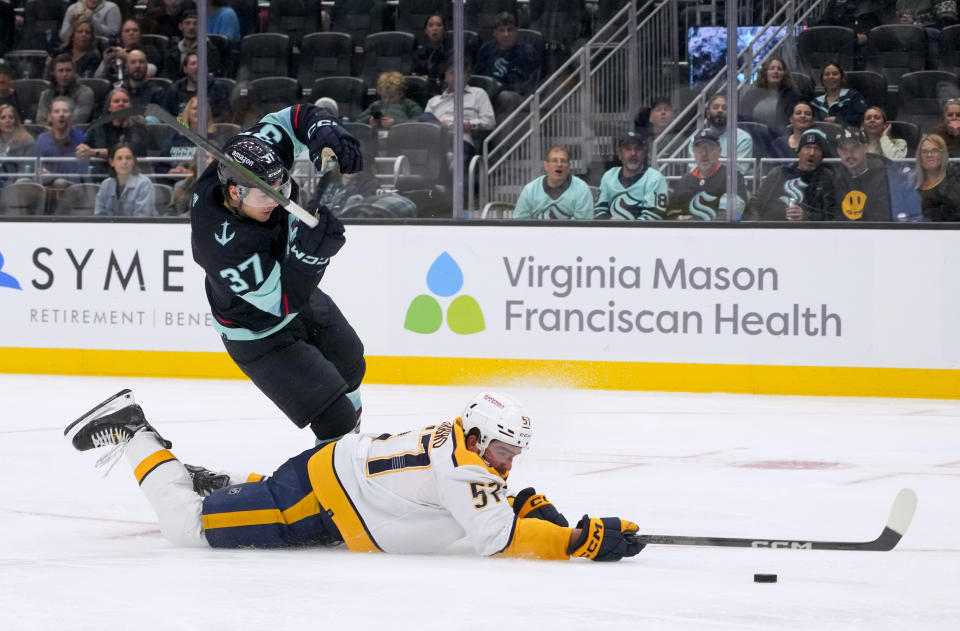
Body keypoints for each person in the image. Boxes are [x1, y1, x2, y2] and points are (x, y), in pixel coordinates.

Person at [65, 388, 644, 562]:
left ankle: (215, 483)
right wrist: (576, 541)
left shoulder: (460, 447)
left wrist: (520, 502)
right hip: (318, 498)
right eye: (501, 448)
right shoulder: (467, 467)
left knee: (257, 498)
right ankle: (136, 433)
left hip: (334, 481)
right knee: (188, 530)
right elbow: (498, 539)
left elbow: (485, 505)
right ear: (475, 437)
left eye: (512, 451)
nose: (507, 461)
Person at [189, 103, 367, 444]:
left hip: (295, 292)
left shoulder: (256, 158)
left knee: (351, 364)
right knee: (336, 420)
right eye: (265, 195)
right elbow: (281, 302)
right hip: (257, 331)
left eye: (281, 187)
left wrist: (322, 127)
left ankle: (348, 459)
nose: (279, 201)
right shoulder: (222, 244)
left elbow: (294, 118)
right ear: (233, 192)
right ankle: (332, 478)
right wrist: (310, 259)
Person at [831, 126, 921, 222]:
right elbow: (834, 215)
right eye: (844, 149)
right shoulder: (837, 178)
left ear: (865, 148)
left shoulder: (886, 176)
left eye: (855, 148)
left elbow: (883, 218)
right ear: (838, 152)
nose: (849, 154)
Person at [743, 131, 837, 221]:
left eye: (816, 149)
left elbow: (834, 215)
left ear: (822, 155)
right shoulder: (778, 173)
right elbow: (754, 206)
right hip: (772, 229)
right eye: (808, 147)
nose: (811, 153)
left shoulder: (828, 178)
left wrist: (808, 217)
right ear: (798, 152)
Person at [423, 62, 495, 170]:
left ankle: (448, 161)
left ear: (468, 76)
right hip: (435, 140)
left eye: (460, 73)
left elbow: (490, 122)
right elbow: (424, 124)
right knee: (424, 117)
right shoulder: (434, 101)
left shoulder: (478, 93)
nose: (456, 77)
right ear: (446, 77)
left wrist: (468, 125)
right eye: (452, 73)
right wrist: (441, 123)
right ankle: (448, 159)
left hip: (461, 140)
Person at [668, 130, 746, 221]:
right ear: (693, 152)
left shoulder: (732, 177)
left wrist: (696, 222)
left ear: (719, 151)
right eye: (699, 150)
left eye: (709, 149)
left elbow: (731, 216)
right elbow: (672, 216)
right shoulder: (683, 182)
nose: (704, 154)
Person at [594, 131, 669, 220]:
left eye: (638, 149)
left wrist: (625, 228)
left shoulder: (655, 178)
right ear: (620, 154)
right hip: (610, 231)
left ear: (644, 154)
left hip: (644, 233)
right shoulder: (609, 176)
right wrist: (611, 222)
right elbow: (598, 210)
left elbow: (654, 216)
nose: (633, 153)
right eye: (628, 149)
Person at [76, 87, 152, 173]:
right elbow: (87, 144)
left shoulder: (139, 126)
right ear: (109, 107)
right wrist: (82, 149)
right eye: (116, 101)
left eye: (125, 101)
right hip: (102, 173)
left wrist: (94, 152)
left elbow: (127, 151)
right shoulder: (99, 126)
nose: (121, 104)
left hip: (133, 173)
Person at [475, 12, 541, 110]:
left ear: (516, 31)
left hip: (519, 96)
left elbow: (523, 86)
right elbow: (478, 76)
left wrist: (496, 89)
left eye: (510, 30)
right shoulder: (486, 49)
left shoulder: (527, 52)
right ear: (494, 33)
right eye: (502, 30)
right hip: (488, 93)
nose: (506, 34)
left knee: (505, 97)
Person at [513, 144, 593, 220]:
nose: (559, 164)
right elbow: (519, 224)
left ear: (569, 166)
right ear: (546, 165)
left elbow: (584, 228)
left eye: (563, 161)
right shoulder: (530, 190)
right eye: (554, 160)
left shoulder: (582, 190)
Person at [687, 94, 753, 174]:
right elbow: (694, 170)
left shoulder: (743, 138)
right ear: (708, 113)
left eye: (724, 108)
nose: (720, 110)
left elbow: (738, 172)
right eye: (715, 107)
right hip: (702, 185)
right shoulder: (696, 139)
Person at [158, 52, 229, 121]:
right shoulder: (174, 89)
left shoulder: (218, 88)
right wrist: (182, 122)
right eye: (193, 64)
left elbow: (224, 117)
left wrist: (202, 123)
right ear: (185, 69)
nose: (197, 66)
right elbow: (165, 117)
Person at [36, 96, 88, 188]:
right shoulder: (42, 139)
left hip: (72, 190)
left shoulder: (81, 138)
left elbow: (80, 176)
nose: (61, 115)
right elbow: (38, 170)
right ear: (49, 117)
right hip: (46, 187)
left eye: (65, 111)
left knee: (59, 183)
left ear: (71, 116)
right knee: (22, 181)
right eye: (57, 111)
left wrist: (54, 176)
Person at [739, 56, 800, 135]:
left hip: (781, 139)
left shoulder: (792, 96)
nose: (776, 71)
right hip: (755, 138)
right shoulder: (751, 95)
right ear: (765, 72)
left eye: (779, 69)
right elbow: (744, 121)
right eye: (772, 68)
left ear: (784, 74)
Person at [93, 143, 157, 216]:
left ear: (133, 162)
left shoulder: (144, 184)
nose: (124, 162)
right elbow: (99, 216)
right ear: (112, 162)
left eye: (128, 158)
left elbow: (142, 219)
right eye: (119, 158)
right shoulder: (105, 185)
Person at [161, 10, 222, 80]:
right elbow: (167, 76)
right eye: (187, 23)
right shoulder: (172, 51)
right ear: (180, 26)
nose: (191, 27)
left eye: (196, 24)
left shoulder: (210, 51)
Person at [358, 71, 423, 134]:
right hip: (376, 140)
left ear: (401, 94)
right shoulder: (376, 105)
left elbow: (419, 123)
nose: (387, 100)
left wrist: (396, 123)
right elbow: (359, 122)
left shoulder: (410, 105)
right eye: (384, 97)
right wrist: (369, 121)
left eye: (391, 97)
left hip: (401, 139)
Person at [37, 55, 96, 125]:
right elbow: (40, 121)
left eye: (68, 70)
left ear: (74, 72)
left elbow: (77, 121)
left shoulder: (86, 93)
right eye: (60, 71)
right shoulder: (46, 94)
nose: (64, 74)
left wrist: (51, 120)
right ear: (54, 73)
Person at [915, 133, 960, 221]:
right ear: (919, 156)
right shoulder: (911, 182)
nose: (929, 155)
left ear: (943, 154)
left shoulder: (955, 182)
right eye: (924, 152)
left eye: (935, 151)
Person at [812, 62, 867, 128]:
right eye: (827, 74)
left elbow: (862, 118)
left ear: (841, 78)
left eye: (835, 74)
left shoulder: (853, 96)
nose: (830, 77)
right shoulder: (816, 103)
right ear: (822, 79)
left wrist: (837, 120)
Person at [412, 13, 451, 94]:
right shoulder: (419, 54)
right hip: (424, 93)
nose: (435, 28)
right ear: (426, 30)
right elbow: (416, 76)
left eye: (439, 25)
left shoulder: (452, 52)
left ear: (444, 30)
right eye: (431, 25)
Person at [0, 104, 38, 189]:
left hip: (17, 186)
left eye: (11, 117)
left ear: (16, 121)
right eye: (3, 118)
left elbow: (27, 172)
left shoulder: (27, 141)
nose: (8, 120)